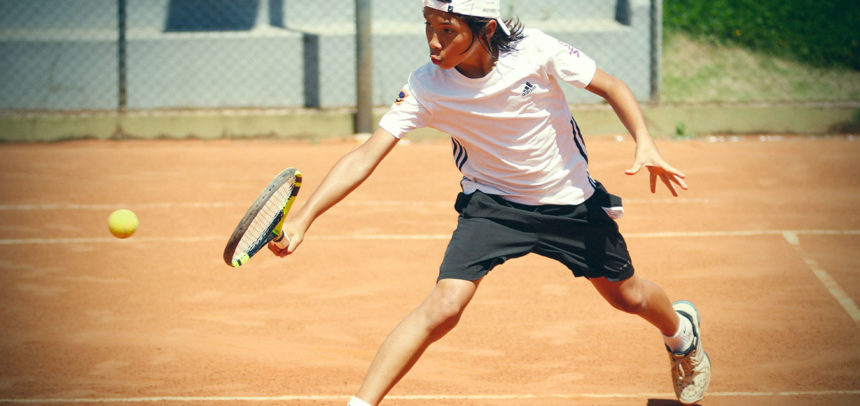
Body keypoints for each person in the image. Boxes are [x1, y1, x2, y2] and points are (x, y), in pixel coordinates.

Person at [269, 1, 711, 405]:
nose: (434, 41)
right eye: (428, 26)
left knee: (629, 297)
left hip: (571, 203)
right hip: (493, 207)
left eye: (447, 30)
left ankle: (681, 334)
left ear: (486, 29)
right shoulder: (426, 86)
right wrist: (303, 219)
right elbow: (365, 155)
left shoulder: (535, 51)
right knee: (444, 306)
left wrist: (645, 142)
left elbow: (611, 85)